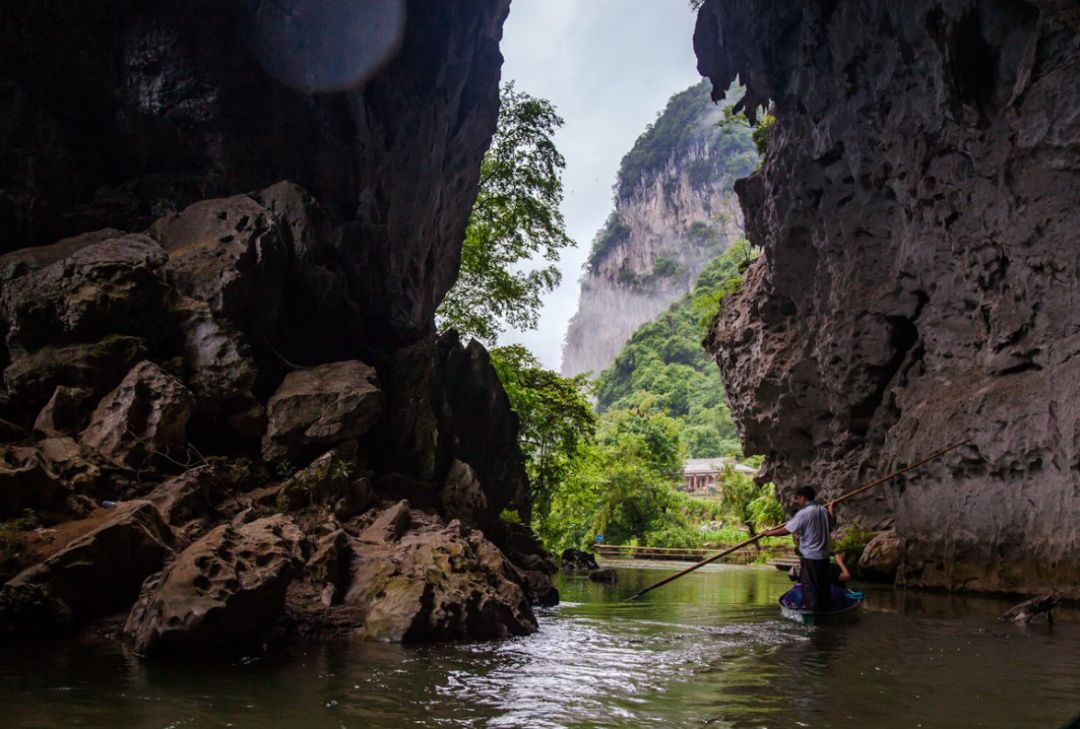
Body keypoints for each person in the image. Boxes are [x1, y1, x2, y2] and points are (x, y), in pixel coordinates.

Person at [761, 486, 835, 612]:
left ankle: (812, 613)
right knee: (822, 587)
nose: (798, 501)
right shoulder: (823, 511)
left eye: (798, 498)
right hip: (824, 558)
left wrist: (769, 533)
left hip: (810, 558)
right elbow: (832, 522)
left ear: (803, 497)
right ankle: (825, 611)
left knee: (810, 586)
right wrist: (831, 509)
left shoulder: (804, 513)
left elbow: (786, 530)